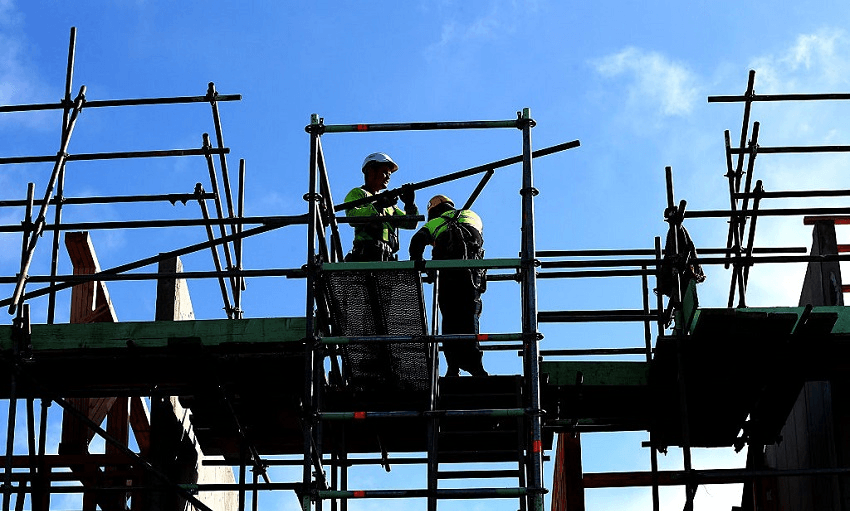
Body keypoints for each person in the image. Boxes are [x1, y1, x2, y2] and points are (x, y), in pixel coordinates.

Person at [409, 195, 488, 377]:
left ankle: (453, 367)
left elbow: (417, 242)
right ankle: (476, 366)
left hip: (448, 275)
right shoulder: (472, 215)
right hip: (472, 274)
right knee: (470, 316)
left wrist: (419, 263)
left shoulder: (434, 222)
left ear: (434, 211)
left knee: (450, 318)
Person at [343, 152, 419, 262]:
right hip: (366, 256)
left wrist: (410, 205)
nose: (388, 177)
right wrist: (378, 206)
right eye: (384, 172)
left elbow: (411, 224)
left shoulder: (390, 206)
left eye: (389, 174)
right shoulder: (358, 193)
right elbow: (352, 216)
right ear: (370, 171)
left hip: (386, 257)